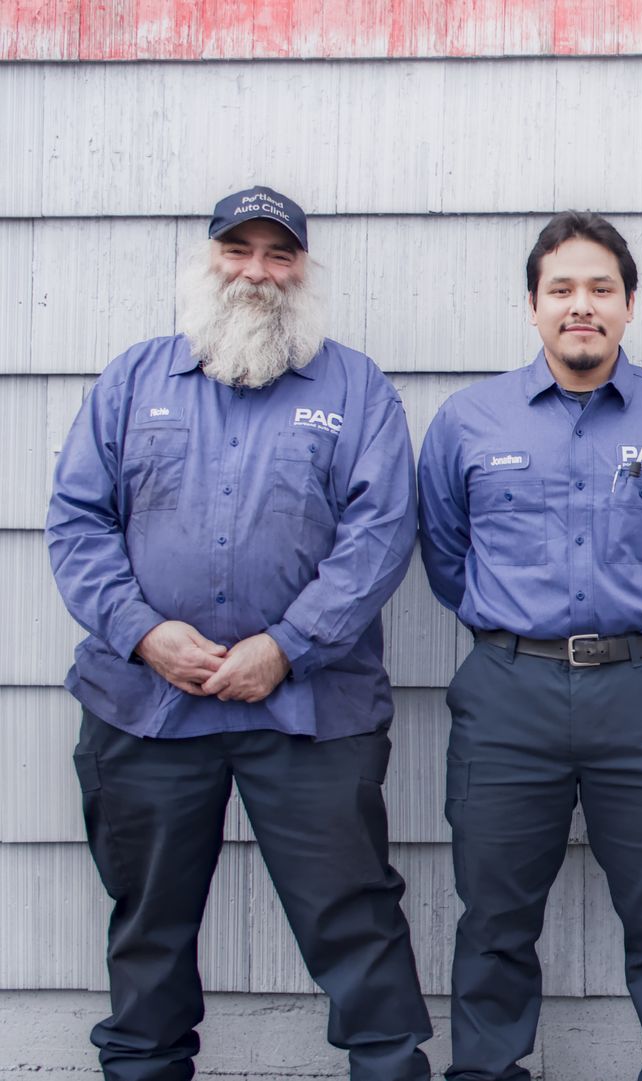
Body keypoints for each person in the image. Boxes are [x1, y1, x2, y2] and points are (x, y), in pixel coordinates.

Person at [45, 186, 433, 1080]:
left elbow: (378, 538)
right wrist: (143, 633)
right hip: (146, 708)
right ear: (206, 259)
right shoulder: (132, 381)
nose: (257, 271)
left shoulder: (356, 390)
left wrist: (286, 646)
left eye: (278, 253)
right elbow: (76, 524)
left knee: (354, 914)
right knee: (148, 923)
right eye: (239, 250)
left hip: (309, 710)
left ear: (303, 269)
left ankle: (385, 1064)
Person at [416, 211, 642, 1081]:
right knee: (492, 917)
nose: (581, 306)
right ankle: (486, 1071)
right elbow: (448, 556)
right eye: (561, 289)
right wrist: (514, 633)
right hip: (507, 690)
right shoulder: (468, 421)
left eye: (601, 288)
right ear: (533, 306)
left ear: (629, 305)